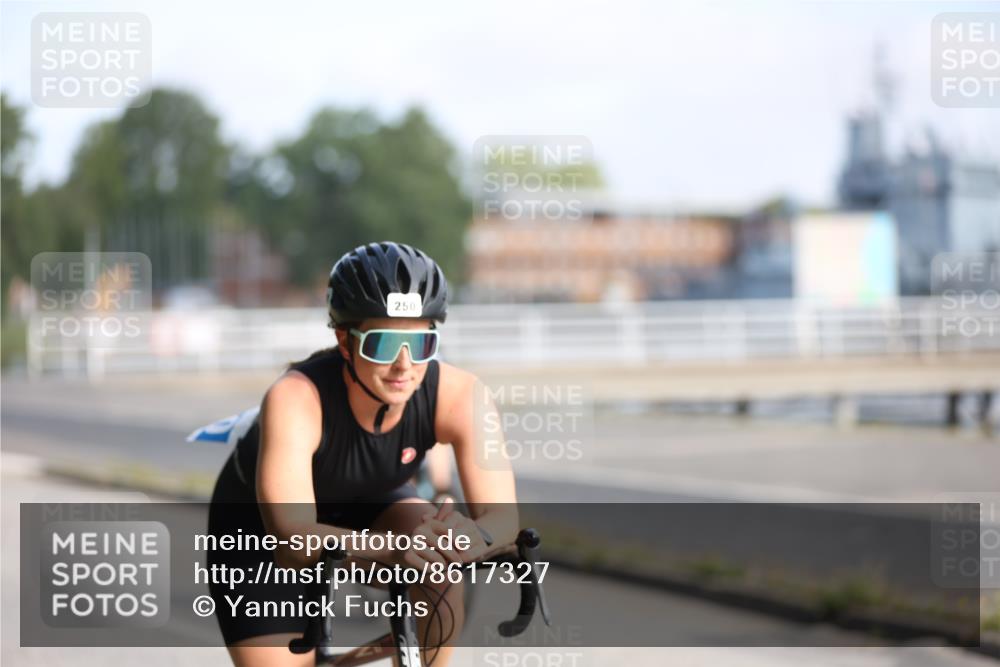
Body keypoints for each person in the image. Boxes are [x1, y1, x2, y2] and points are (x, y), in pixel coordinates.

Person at [206, 241, 517, 667]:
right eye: (384, 345)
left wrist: (468, 537)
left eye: (422, 344)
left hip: (371, 504)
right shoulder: (295, 397)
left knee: (439, 570)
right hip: (264, 532)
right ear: (345, 341)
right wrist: (395, 550)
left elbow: (503, 519)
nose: (404, 365)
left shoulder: (461, 395)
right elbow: (292, 540)